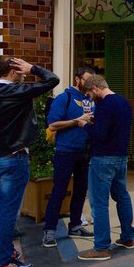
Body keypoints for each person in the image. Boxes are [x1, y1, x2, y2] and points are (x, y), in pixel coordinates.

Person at [0, 57, 60, 267]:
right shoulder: (16, 91)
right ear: (13, 71)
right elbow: (52, 80)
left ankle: (5, 253)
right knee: (7, 212)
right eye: (22, 70)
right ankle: (3, 260)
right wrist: (34, 68)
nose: (25, 74)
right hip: (12, 158)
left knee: (2, 210)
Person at [78, 75, 134, 261]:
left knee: (99, 203)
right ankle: (128, 237)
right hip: (121, 156)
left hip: (102, 158)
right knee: (122, 196)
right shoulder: (123, 102)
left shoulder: (103, 105)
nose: (89, 98)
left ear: (95, 88)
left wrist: (84, 125)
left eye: (89, 94)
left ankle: (101, 247)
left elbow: (100, 135)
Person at [42, 67, 96, 248]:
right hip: (65, 151)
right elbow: (53, 124)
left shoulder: (90, 99)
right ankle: (49, 230)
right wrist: (77, 121)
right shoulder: (63, 98)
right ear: (77, 79)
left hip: (85, 152)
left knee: (81, 191)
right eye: (87, 80)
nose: (90, 84)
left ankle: (75, 225)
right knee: (59, 191)